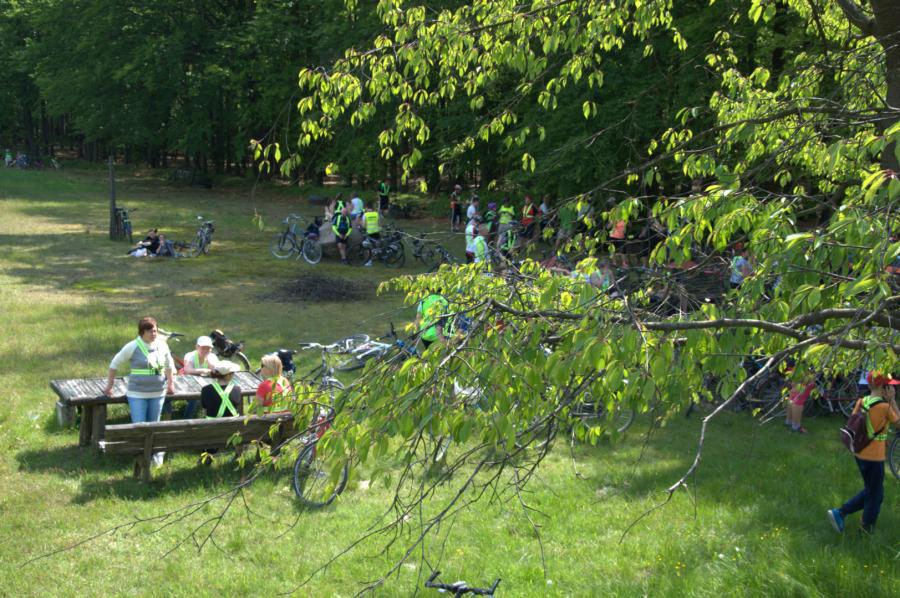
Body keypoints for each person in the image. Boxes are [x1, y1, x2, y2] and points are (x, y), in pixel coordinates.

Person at [827, 371, 900, 535]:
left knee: (874, 491)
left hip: (860, 454)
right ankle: (860, 526)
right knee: (874, 494)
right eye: (890, 386)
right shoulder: (885, 407)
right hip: (875, 458)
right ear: (883, 387)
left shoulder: (862, 401)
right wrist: (892, 401)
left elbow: (857, 423)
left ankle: (847, 515)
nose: (892, 389)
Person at [103, 317, 175, 466]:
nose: (154, 334)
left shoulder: (162, 345)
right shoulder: (132, 346)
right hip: (137, 394)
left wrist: (171, 384)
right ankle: (141, 457)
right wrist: (109, 386)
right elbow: (114, 364)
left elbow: (169, 365)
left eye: (155, 331)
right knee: (139, 426)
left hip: (158, 393)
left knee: (154, 425)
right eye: (150, 331)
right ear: (142, 332)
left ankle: (154, 456)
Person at [178, 335, 220, 419]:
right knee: (194, 398)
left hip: (205, 384)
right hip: (188, 383)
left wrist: (208, 359)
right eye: (203, 348)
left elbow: (216, 371)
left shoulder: (212, 357)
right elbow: (188, 370)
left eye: (208, 348)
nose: (206, 350)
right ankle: (187, 420)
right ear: (197, 347)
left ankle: (211, 417)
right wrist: (204, 370)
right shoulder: (190, 355)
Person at [362, 201, 381, 267]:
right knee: (376, 246)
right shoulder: (376, 214)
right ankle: (378, 255)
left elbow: (363, 225)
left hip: (369, 233)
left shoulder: (365, 215)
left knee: (368, 248)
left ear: (367, 207)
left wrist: (363, 228)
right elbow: (379, 223)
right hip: (376, 232)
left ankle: (369, 262)